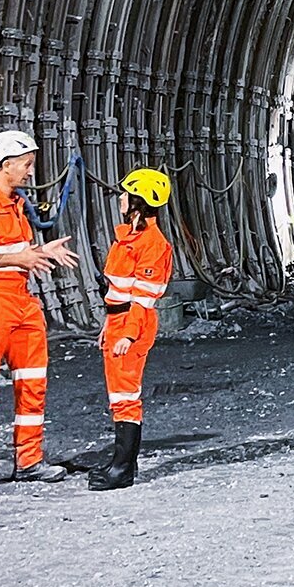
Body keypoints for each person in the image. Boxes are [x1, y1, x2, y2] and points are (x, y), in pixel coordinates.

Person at [0, 129, 80, 492]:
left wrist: (40, 251)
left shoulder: (17, 206)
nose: (30, 171)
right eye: (26, 164)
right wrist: (19, 256)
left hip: (21, 301)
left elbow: (15, 252)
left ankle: (29, 460)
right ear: (6, 165)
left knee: (33, 383)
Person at [88, 167, 174, 490]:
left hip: (131, 325)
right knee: (118, 396)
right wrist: (108, 326)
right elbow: (119, 291)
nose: (121, 198)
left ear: (138, 201)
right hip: (118, 321)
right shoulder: (129, 237)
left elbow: (144, 298)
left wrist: (127, 334)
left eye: (126, 194)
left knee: (126, 397)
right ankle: (122, 464)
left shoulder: (152, 244)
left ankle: (122, 470)